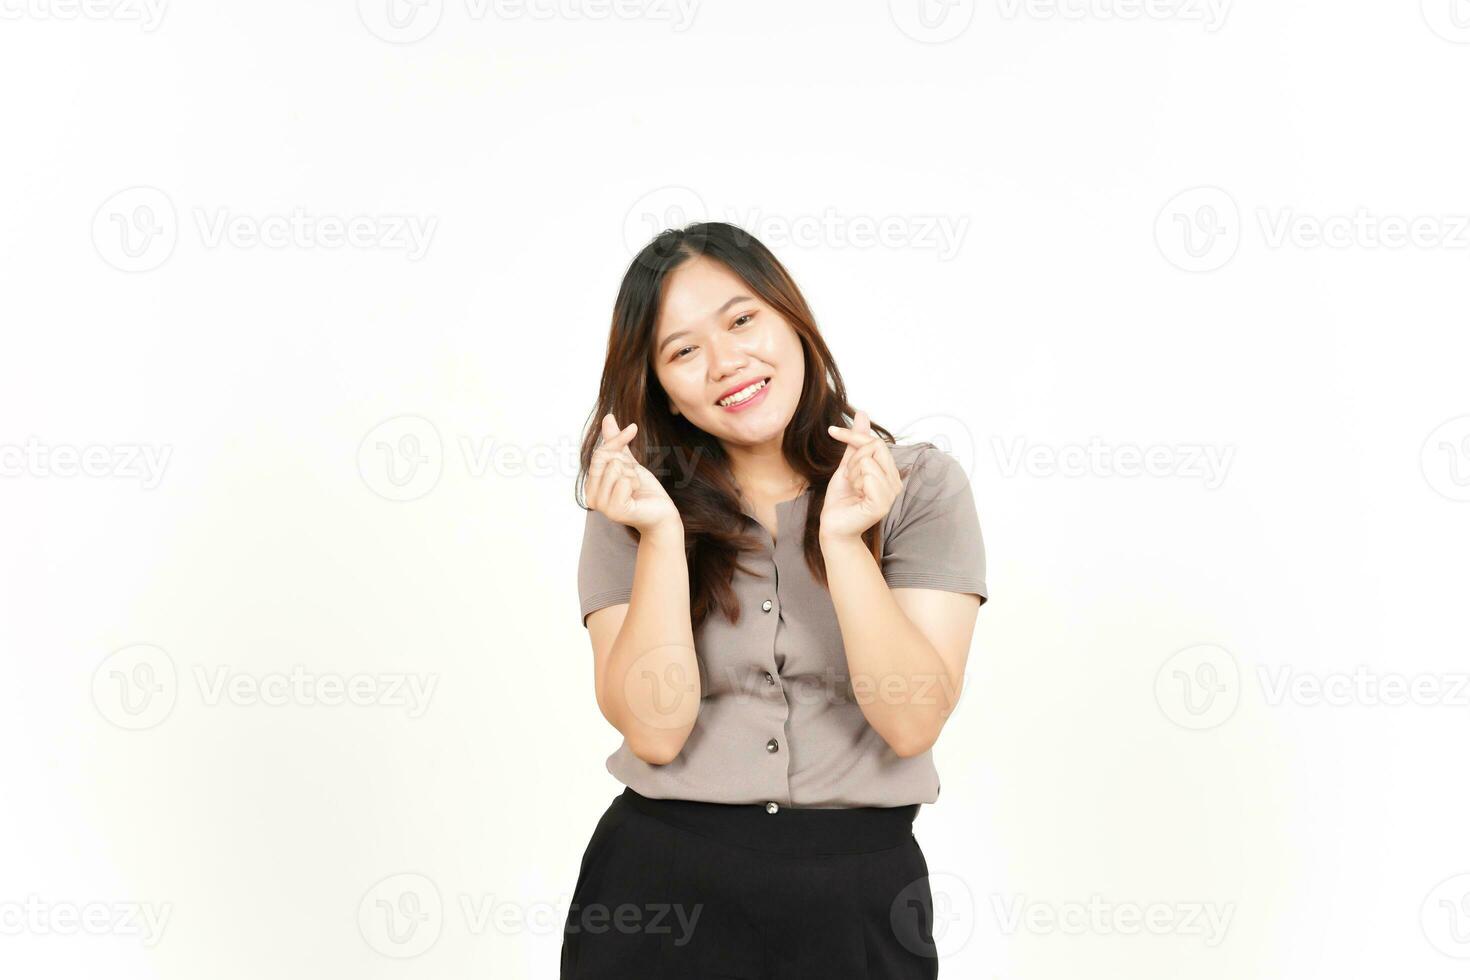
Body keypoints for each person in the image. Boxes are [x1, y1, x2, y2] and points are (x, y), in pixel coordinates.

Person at [562, 221, 988, 979]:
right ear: (659, 386)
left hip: (858, 897)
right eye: (683, 350)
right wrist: (660, 538)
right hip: (659, 898)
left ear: (791, 315)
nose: (726, 362)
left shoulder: (918, 487)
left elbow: (912, 717)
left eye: (742, 319)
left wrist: (845, 544)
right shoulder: (633, 505)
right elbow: (656, 735)